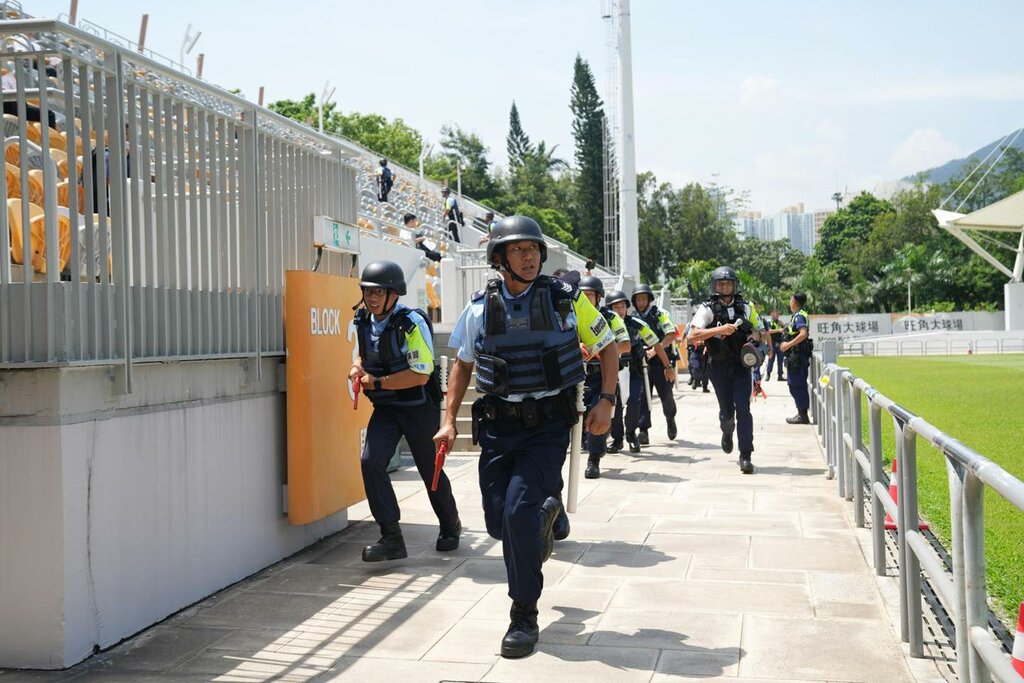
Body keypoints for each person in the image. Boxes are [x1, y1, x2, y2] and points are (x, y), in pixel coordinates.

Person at [435, 216, 618, 658]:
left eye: (534, 249)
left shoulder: (565, 301)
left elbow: (608, 345)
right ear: (499, 259)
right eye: (519, 250)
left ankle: (523, 613)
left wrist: (607, 400)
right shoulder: (480, 307)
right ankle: (546, 513)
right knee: (500, 522)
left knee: (518, 511)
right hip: (499, 425)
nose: (530, 256)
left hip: (548, 425)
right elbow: (462, 364)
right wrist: (447, 420)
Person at [349, 261, 461, 562]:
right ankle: (391, 537)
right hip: (386, 408)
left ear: (394, 294)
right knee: (370, 462)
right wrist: (357, 369)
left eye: (380, 291)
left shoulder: (411, 323)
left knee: (430, 470)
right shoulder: (363, 321)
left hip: (416, 407)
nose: (372, 298)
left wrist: (377, 381)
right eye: (368, 291)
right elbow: (364, 356)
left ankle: (450, 525)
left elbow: (420, 375)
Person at [687, 266, 769, 475]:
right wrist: (720, 330)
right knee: (727, 413)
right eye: (721, 284)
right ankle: (727, 431)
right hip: (717, 365)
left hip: (741, 366)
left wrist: (754, 338)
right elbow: (692, 335)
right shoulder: (707, 308)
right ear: (715, 286)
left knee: (744, 409)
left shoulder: (746, 307)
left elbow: (760, 331)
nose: (724, 287)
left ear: (734, 285)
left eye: (728, 284)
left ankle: (746, 455)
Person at [578, 277, 631, 478]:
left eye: (589, 295)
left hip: (602, 376)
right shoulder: (570, 315)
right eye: (582, 295)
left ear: (598, 297)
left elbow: (625, 345)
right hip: (576, 375)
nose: (585, 298)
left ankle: (593, 460)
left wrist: (597, 347)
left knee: (597, 412)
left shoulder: (610, 318)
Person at [606, 289, 670, 454]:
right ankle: (617, 439)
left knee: (635, 401)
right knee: (616, 405)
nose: (619, 311)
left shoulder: (637, 324)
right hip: (613, 371)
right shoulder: (603, 324)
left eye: (622, 307)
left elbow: (656, 344)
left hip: (635, 370)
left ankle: (631, 434)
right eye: (615, 307)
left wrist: (668, 366)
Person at [631, 284, 679, 442]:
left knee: (666, 396)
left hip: (661, 361)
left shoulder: (659, 314)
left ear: (649, 299)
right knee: (643, 396)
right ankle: (643, 430)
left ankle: (670, 419)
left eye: (644, 299)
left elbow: (671, 334)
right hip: (641, 362)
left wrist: (655, 350)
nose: (641, 302)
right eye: (638, 299)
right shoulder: (632, 317)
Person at [782, 292, 813, 425]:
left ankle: (802, 414)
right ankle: (801, 412)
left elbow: (803, 334)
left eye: (790, 299)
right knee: (795, 384)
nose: (789, 302)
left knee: (797, 384)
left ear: (794, 301)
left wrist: (787, 345)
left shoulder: (799, 316)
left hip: (797, 357)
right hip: (795, 356)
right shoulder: (797, 315)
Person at [685, 322, 710, 393]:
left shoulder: (708, 326)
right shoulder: (693, 327)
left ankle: (705, 387)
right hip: (695, 351)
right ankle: (696, 380)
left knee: (705, 371)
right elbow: (689, 337)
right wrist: (695, 341)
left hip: (705, 352)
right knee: (695, 368)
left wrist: (702, 343)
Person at [765, 309, 786, 381]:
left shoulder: (780, 323)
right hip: (771, 343)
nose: (776, 315)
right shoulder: (768, 322)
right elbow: (768, 331)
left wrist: (784, 327)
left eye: (777, 314)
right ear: (771, 314)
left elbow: (784, 330)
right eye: (775, 314)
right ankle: (768, 375)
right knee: (771, 359)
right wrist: (778, 330)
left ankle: (780, 376)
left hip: (779, 343)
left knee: (780, 360)